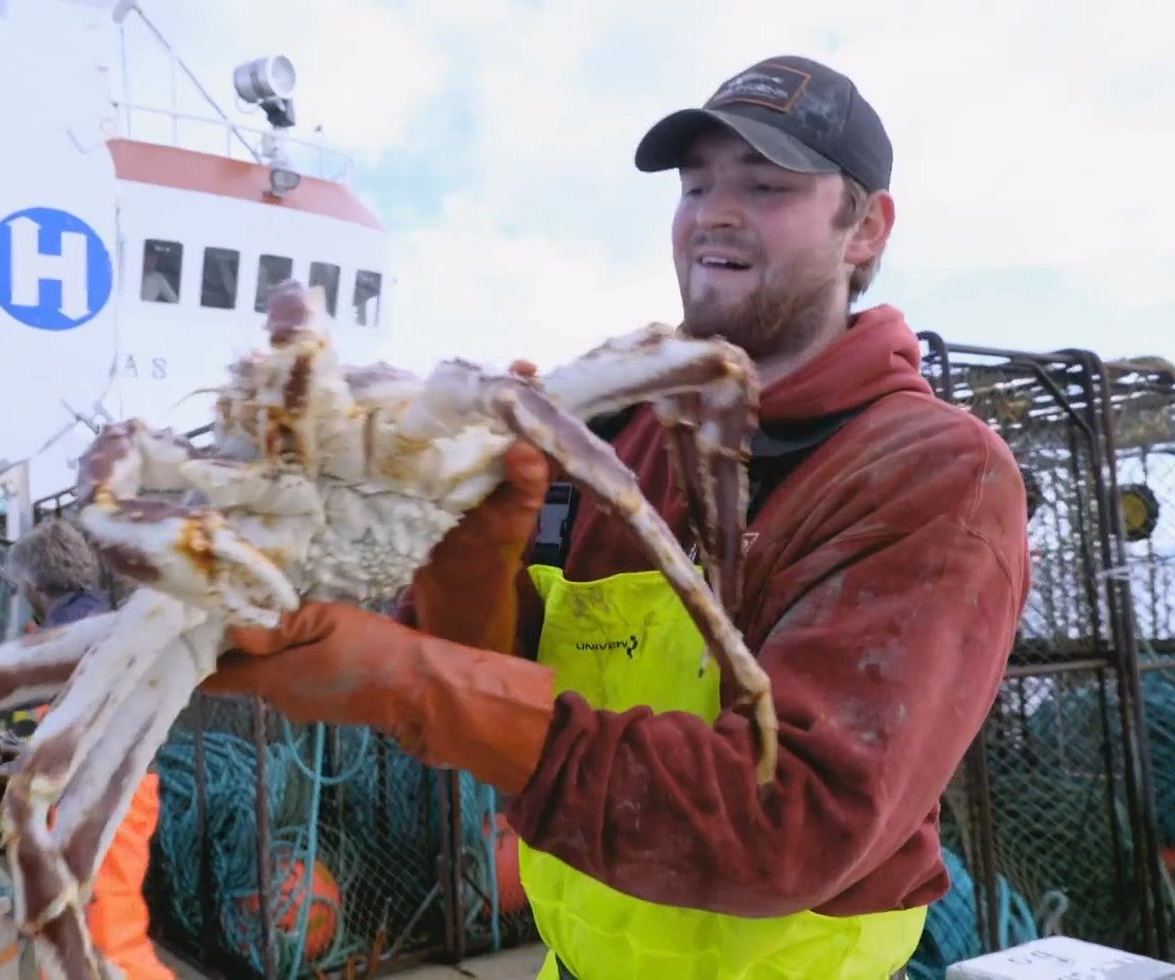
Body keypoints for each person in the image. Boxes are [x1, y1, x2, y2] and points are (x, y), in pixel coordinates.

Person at [202, 54, 1031, 979]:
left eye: (765, 186)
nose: (715, 210)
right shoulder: (611, 432)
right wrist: (472, 549)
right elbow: (497, 678)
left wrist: (412, 683)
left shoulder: (930, 472)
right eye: (696, 185)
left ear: (865, 229)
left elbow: (794, 821)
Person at [0, 519, 174, 980]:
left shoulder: (83, 632)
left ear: (29, 584)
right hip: (97, 793)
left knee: (106, 937)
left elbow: (54, 689)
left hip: (100, 798)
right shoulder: (88, 625)